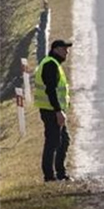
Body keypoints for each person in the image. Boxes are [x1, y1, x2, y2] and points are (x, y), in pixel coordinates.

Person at [34, 39, 72, 182]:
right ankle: (50, 176)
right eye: (64, 49)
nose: (66, 52)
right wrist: (58, 111)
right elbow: (51, 90)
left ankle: (60, 173)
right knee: (53, 142)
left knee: (63, 140)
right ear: (56, 49)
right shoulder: (50, 65)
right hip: (51, 110)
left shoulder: (53, 64)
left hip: (52, 109)